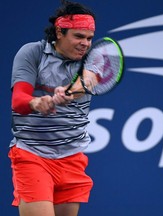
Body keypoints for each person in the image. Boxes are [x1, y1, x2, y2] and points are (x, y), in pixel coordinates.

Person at [9, 0, 100, 215]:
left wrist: (67, 92)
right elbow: (19, 99)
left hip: (72, 157)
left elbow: (86, 82)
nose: (85, 44)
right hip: (32, 155)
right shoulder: (32, 53)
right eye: (78, 36)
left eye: (89, 38)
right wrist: (36, 102)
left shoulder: (93, 58)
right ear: (60, 32)